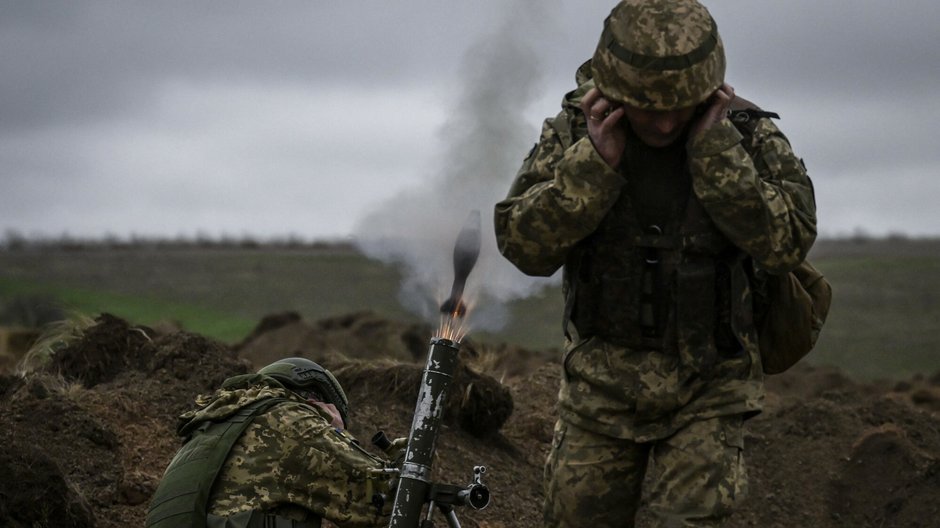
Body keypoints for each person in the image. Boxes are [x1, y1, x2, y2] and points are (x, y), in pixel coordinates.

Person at [494, 1, 817, 526]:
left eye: (681, 106)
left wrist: (719, 157)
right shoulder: (577, 132)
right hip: (600, 388)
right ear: (614, 93)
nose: (665, 122)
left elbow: (787, 243)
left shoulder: (747, 136)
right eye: (648, 106)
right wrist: (593, 166)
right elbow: (523, 247)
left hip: (710, 385)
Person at [146, 357, 402, 528]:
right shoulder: (288, 419)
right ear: (315, 401)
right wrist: (337, 432)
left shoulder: (211, 429)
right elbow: (383, 500)